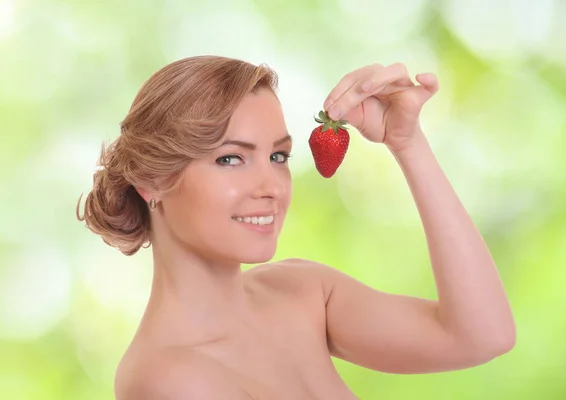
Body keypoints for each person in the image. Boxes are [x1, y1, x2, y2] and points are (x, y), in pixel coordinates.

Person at [77, 55, 515, 399]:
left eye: (279, 157)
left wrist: (407, 142)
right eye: (231, 158)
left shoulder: (303, 292)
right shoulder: (167, 379)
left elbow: (481, 336)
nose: (271, 186)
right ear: (151, 180)